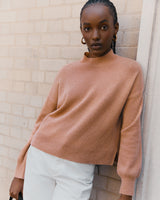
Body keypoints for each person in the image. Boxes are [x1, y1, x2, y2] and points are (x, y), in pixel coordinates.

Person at [9, 0, 144, 200]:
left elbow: (130, 130)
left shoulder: (130, 72)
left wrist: (127, 188)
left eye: (103, 27)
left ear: (115, 29)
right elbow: (42, 119)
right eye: (87, 28)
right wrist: (19, 172)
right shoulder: (67, 72)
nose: (95, 36)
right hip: (41, 157)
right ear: (82, 32)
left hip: (79, 169)